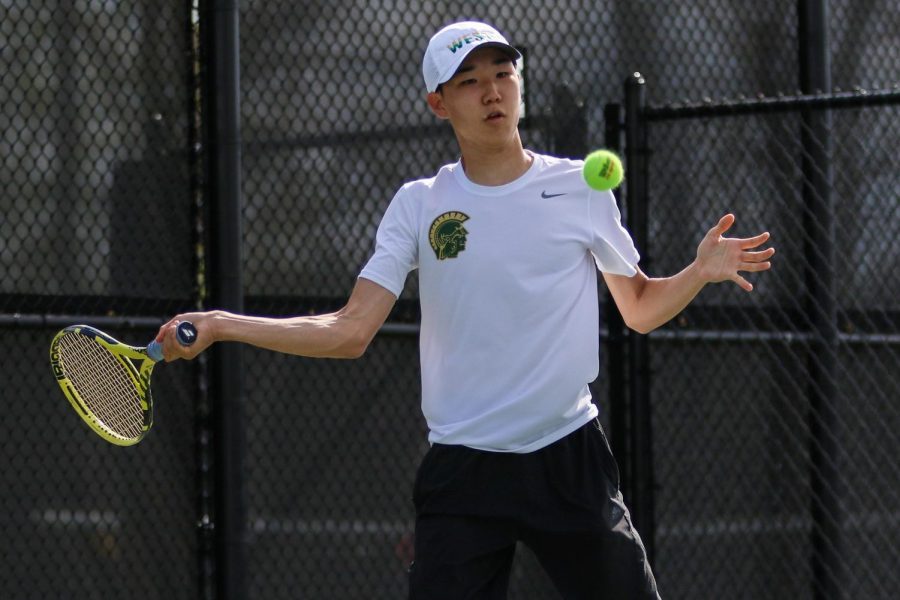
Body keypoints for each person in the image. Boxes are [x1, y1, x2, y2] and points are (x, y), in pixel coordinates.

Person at [156, 20, 774, 600]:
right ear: (438, 103)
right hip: (464, 473)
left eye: (503, 74)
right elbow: (349, 331)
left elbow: (637, 307)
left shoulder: (581, 188)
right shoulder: (419, 205)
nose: (492, 92)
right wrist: (221, 325)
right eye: (470, 81)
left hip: (567, 457)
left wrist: (699, 272)